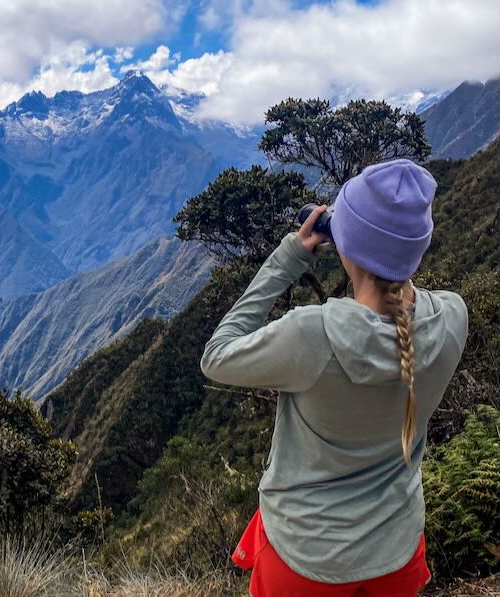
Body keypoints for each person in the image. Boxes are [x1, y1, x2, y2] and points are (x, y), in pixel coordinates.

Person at [200, 159, 468, 596]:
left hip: (307, 559)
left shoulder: (312, 334)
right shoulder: (453, 317)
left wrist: (288, 259)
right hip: (395, 548)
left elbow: (216, 356)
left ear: (347, 246)